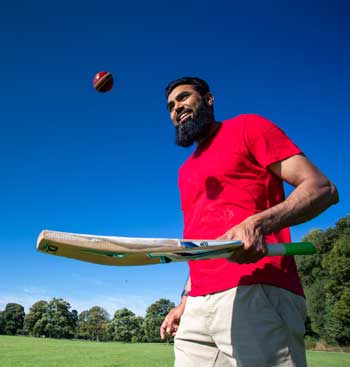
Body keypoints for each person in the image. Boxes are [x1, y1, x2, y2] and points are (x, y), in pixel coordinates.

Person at [160, 77, 339, 367]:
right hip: (197, 307)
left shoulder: (247, 127)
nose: (176, 108)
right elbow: (202, 241)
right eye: (170, 106)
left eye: (183, 98)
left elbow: (321, 189)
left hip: (258, 290)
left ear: (209, 99)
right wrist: (185, 300)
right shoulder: (185, 171)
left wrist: (257, 224)